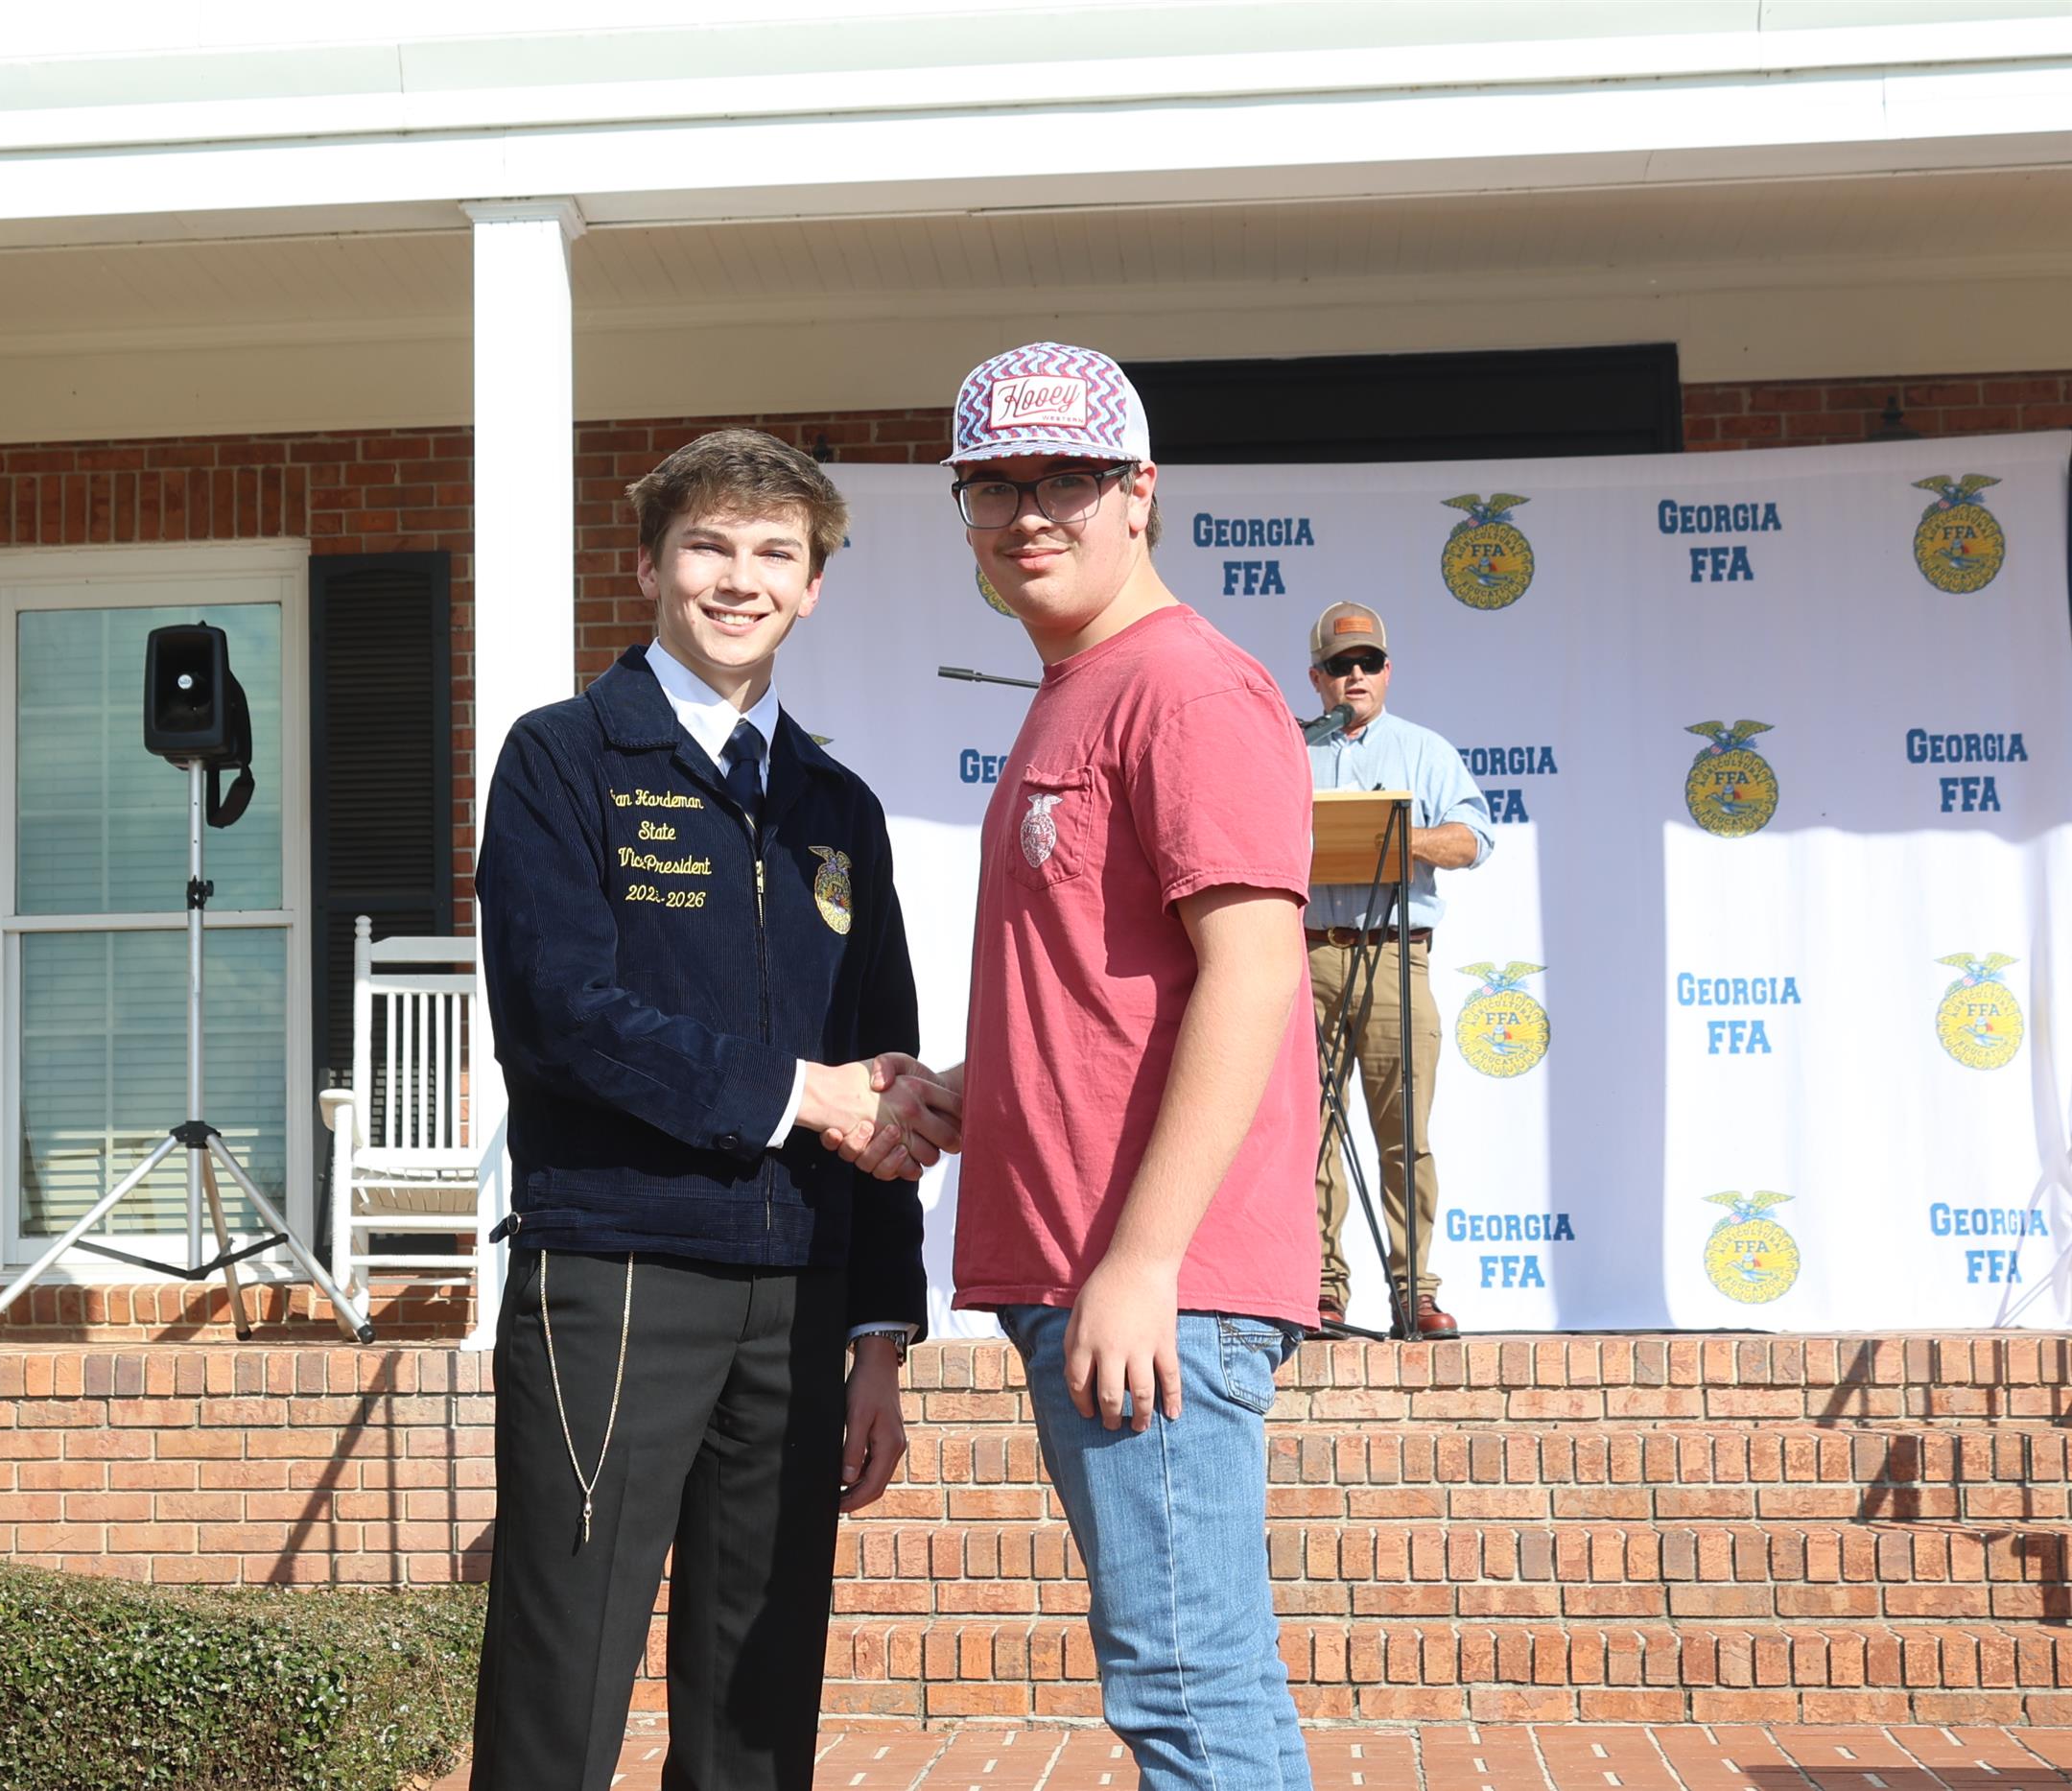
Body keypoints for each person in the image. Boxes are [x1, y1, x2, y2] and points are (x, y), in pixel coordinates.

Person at [849, 342, 1320, 1791]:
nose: (1027, 512)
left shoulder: (1184, 688)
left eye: (1066, 477)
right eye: (992, 484)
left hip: (1152, 1277)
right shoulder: (1080, 686)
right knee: (1197, 1680)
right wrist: (964, 1095)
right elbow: (1106, 1001)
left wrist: (1146, 1258)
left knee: (1186, 1690)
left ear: (1140, 491)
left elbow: (1253, 972)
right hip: (1090, 1259)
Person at [471, 428, 960, 1789]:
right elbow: (561, 1016)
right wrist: (796, 1093)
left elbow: (880, 1077)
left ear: (812, 586)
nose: (740, 579)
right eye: (709, 545)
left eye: (774, 553)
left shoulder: (839, 809)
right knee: (562, 1682)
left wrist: (879, 1334)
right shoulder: (563, 760)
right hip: (615, 1277)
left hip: (801, 1298)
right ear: (648, 566)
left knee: (761, 1692)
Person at [1301, 601, 1495, 1338]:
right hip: (1307, 953)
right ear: (1317, 677)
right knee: (1312, 1132)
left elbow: (1473, 839)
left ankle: (1414, 1290)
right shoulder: (1287, 749)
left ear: (1388, 671)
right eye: (1340, 664)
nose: (1355, 675)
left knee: (1403, 1130)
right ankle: (1320, 1288)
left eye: (1369, 662)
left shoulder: (1424, 749)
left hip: (1394, 953)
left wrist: (1399, 838)